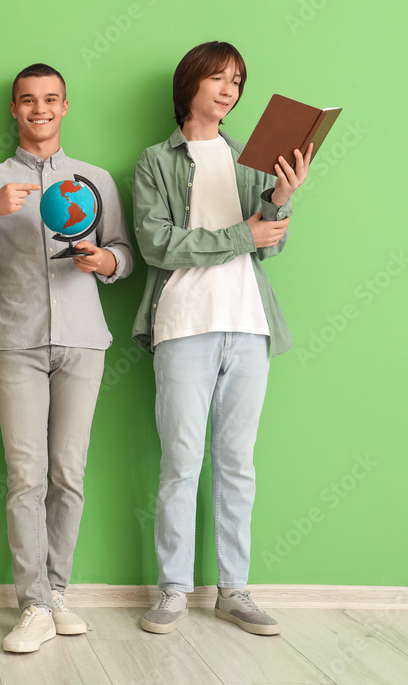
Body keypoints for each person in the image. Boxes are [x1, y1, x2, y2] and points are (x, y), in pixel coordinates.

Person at [131, 41, 310, 636]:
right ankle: (173, 590)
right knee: (181, 463)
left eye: (237, 80)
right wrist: (242, 234)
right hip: (183, 322)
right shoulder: (155, 161)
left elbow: (273, 242)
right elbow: (158, 244)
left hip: (249, 323)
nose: (230, 88)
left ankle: (234, 590)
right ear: (191, 84)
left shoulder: (252, 159)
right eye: (218, 77)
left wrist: (282, 198)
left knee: (237, 464)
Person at [0, 64, 134, 653]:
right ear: (13, 109)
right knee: (25, 476)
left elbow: (124, 255)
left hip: (84, 341)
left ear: (65, 106)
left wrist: (104, 262)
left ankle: (59, 591)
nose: (39, 109)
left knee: (69, 473)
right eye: (27, 101)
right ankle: (31, 605)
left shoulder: (96, 179)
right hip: (16, 342)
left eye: (50, 99)